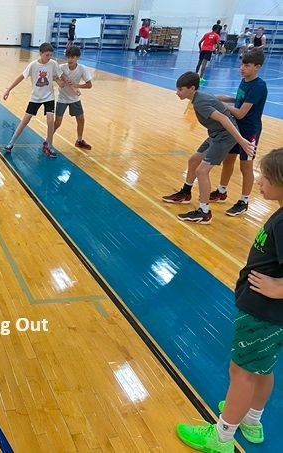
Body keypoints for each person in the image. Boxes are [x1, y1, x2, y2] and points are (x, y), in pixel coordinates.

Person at [177, 146, 283, 453]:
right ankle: (252, 418)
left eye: (265, 178)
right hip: (270, 316)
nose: (259, 183)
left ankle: (222, 438)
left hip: (263, 313)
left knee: (241, 373)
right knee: (263, 368)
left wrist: (279, 288)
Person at [161, 72, 255, 224]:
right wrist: (234, 99)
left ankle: (204, 212)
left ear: (192, 88)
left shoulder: (200, 103)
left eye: (180, 89)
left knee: (201, 170)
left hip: (224, 137)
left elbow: (224, 118)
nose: (177, 92)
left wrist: (242, 141)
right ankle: (185, 193)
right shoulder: (199, 96)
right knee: (193, 161)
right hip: (215, 134)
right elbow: (217, 97)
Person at [211, 50, 268, 217]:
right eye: (242, 64)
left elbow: (241, 113)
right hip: (237, 127)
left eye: (247, 65)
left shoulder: (259, 86)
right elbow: (240, 101)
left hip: (250, 131)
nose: (242, 68)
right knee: (228, 160)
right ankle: (222, 191)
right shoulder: (245, 81)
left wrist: (220, 106)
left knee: (246, 166)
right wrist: (225, 98)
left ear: (257, 67)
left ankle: (244, 201)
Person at [3, 42, 77, 158]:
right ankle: (11, 143)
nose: (49, 57)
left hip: (49, 97)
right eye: (47, 55)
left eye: (51, 55)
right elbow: (21, 77)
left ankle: (49, 146)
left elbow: (62, 76)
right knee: (25, 120)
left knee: (50, 121)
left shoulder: (53, 64)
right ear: (41, 53)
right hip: (35, 97)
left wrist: (72, 87)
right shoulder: (33, 65)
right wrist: (8, 90)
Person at [54, 45, 92, 150]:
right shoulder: (61, 67)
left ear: (77, 57)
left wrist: (77, 86)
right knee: (57, 122)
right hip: (62, 99)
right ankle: (48, 140)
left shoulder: (82, 69)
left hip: (75, 99)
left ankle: (79, 141)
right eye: (68, 57)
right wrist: (58, 81)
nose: (70, 59)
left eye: (73, 57)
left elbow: (89, 85)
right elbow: (54, 76)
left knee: (81, 120)